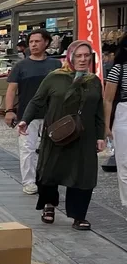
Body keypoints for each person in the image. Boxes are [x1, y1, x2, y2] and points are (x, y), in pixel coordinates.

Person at [19, 40, 104, 230]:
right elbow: (37, 101)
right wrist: (25, 119)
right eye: (78, 55)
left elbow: (99, 111)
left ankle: (78, 215)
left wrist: (101, 136)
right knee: (50, 171)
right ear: (70, 56)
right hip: (57, 133)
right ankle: (49, 204)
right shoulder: (54, 77)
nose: (82, 59)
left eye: (86, 56)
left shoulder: (94, 81)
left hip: (85, 136)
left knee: (83, 175)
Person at [5, 29, 60, 195]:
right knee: (27, 148)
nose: (34, 45)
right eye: (31, 42)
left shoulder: (55, 65)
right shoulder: (21, 66)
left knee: (51, 149)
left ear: (46, 43)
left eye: (37, 41)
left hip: (52, 113)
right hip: (27, 114)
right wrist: (9, 110)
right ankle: (29, 181)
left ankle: (47, 179)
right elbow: (11, 89)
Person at [105, 38, 127, 205]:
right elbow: (108, 100)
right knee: (124, 164)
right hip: (123, 114)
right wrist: (106, 125)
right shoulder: (117, 69)